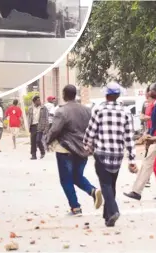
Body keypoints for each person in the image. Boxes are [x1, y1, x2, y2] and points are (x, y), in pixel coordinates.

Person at [83, 82, 137, 227]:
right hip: (117, 155)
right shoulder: (126, 112)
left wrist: (87, 145)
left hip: (101, 153)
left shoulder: (99, 110)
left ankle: (113, 211)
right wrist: (132, 159)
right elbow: (129, 137)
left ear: (106, 95)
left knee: (105, 184)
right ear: (118, 95)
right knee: (111, 184)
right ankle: (108, 217)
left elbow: (90, 132)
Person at [46, 85, 103, 216]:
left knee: (66, 180)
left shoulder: (61, 111)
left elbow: (55, 130)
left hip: (65, 149)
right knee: (77, 177)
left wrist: (46, 141)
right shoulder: (87, 110)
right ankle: (93, 191)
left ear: (65, 94)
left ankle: (75, 207)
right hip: (83, 148)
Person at [28, 95, 49, 160]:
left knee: (38, 140)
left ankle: (42, 151)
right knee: (33, 141)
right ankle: (33, 155)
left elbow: (46, 118)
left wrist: (46, 128)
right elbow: (29, 118)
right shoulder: (30, 108)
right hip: (33, 126)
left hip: (40, 125)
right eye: (38, 100)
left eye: (39, 100)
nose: (39, 101)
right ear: (34, 101)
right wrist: (29, 126)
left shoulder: (43, 108)